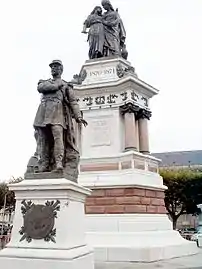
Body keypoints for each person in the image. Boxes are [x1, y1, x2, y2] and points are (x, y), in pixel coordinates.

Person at [33, 60, 87, 173]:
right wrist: (57, 85)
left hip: (57, 113)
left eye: (56, 67)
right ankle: (44, 164)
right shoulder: (44, 82)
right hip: (43, 112)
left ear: (61, 69)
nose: (53, 69)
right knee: (43, 140)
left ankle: (58, 163)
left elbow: (73, 102)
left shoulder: (67, 85)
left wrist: (78, 117)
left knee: (58, 137)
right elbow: (41, 88)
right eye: (52, 67)